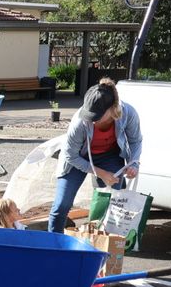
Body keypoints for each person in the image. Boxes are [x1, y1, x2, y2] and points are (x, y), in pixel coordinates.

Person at [47, 78, 142, 232]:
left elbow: (135, 141)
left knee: (113, 202)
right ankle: (53, 245)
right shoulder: (79, 121)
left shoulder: (128, 113)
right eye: (89, 113)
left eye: (96, 115)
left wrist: (133, 164)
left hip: (109, 156)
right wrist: (101, 173)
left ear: (113, 108)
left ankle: (105, 244)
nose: (90, 119)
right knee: (61, 205)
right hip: (77, 158)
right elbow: (71, 155)